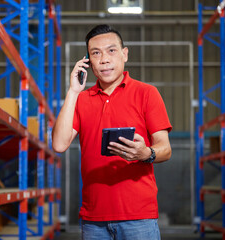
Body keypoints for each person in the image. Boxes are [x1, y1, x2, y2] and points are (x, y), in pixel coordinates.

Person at [52, 24, 172, 239]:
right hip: (93, 220)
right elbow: (59, 144)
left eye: (111, 51)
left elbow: (165, 148)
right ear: (88, 61)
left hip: (139, 218)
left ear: (124, 54)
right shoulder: (81, 99)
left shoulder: (147, 93)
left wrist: (146, 154)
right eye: (95, 53)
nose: (104, 59)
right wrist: (73, 91)